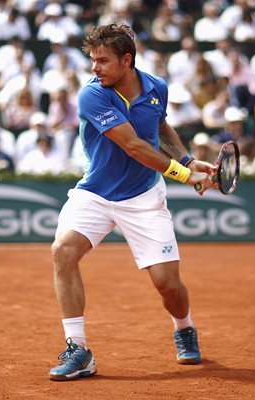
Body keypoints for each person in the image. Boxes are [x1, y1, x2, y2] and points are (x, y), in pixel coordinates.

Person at [48, 24, 214, 382]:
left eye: (103, 61)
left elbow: (160, 128)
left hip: (143, 198)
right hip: (95, 194)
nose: (95, 68)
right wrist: (187, 177)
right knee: (63, 251)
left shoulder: (157, 87)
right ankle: (78, 349)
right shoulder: (92, 95)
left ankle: (183, 327)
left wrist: (186, 160)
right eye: (92, 60)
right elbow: (135, 146)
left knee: (168, 284)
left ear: (127, 60)